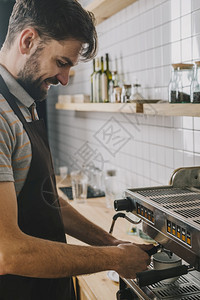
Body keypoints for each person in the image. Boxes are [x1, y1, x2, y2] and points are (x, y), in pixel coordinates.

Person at [0, 0, 152, 299]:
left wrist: (109, 242)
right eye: (62, 63)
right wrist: (116, 260)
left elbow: (46, 200)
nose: (64, 79)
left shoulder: (23, 102)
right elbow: (8, 252)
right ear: (28, 40)